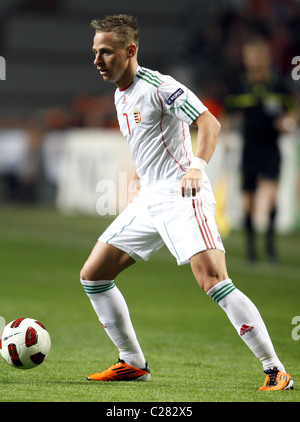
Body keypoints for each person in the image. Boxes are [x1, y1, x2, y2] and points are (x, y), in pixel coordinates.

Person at [80, 15, 293, 390]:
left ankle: (275, 369)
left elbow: (209, 123)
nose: (97, 60)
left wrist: (195, 168)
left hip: (184, 194)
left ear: (130, 51)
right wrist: (139, 175)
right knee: (94, 275)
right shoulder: (120, 93)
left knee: (213, 280)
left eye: (106, 52)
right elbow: (150, 143)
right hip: (150, 199)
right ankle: (132, 362)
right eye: (95, 52)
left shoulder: (162, 87)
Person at [225, 38, 298, 263]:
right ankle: (251, 250)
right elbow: (227, 113)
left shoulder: (277, 85)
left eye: (257, 56)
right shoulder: (239, 86)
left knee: (272, 196)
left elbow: (294, 110)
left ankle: (270, 245)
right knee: (249, 199)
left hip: (271, 149)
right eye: (250, 57)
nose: (253, 61)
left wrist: (288, 121)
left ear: (266, 58)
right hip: (249, 149)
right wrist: (226, 133)